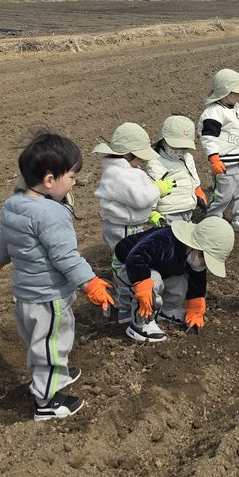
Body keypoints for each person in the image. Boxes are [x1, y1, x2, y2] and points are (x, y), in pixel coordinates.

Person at [0, 132, 115, 421]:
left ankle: (56, 374)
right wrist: (90, 282)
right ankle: (47, 401)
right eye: (71, 176)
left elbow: (6, 241)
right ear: (50, 180)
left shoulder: (14, 204)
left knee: (42, 342)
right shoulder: (51, 214)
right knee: (51, 345)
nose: (74, 182)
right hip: (49, 297)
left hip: (26, 295)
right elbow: (66, 257)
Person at [92, 122, 173, 341]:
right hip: (124, 229)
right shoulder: (119, 175)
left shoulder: (122, 171)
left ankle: (125, 308)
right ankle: (141, 319)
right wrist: (159, 188)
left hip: (125, 225)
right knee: (134, 270)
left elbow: (132, 202)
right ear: (128, 154)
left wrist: (151, 215)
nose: (142, 161)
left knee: (124, 266)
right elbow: (140, 198)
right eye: (140, 157)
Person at [113, 218, 235, 334]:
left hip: (156, 266)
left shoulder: (192, 256)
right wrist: (142, 284)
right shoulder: (164, 241)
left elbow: (197, 281)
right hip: (127, 264)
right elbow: (135, 257)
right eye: (204, 257)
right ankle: (140, 324)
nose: (204, 264)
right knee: (151, 281)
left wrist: (196, 308)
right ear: (195, 246)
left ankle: (167, 310)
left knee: (182, 280)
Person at [198, 68, 239, 232]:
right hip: (225, 163)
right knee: (223, 194)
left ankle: (238, 218)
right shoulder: (213, 113)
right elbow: (209, 138)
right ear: (225, 92)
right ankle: (213, 221)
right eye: (236, 92)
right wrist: (214, 158)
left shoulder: (238, 108)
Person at [149, 115, 209, 224]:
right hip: (169, 213)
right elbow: (152, 190)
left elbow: (193, 179)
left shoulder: (188, 158)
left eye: (184, 147)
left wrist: (198, 193)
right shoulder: (156, 163)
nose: (180, 151)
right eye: (176, 146)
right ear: (163, 141)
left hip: (189, 209)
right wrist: (152, 212)